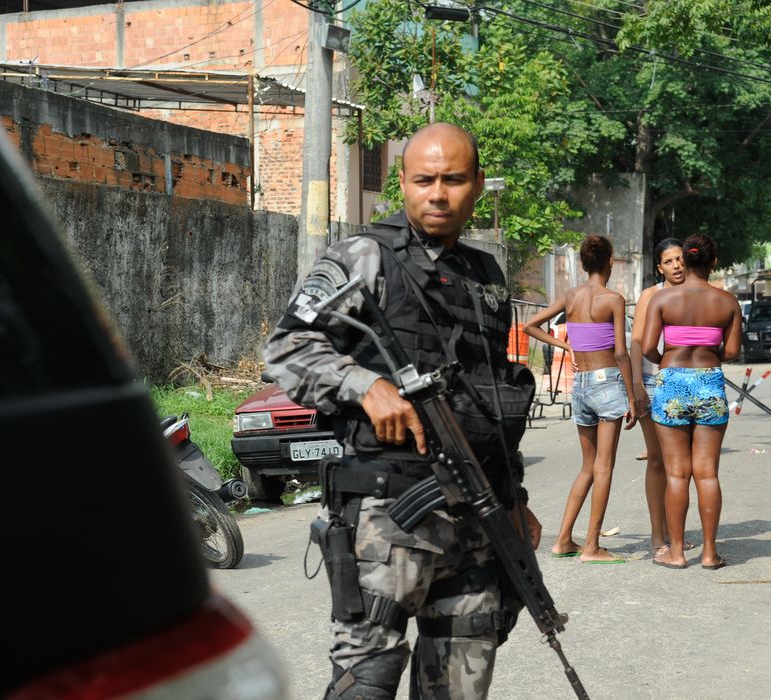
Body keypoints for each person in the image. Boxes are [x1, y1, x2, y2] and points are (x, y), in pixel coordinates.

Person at [264, 122, 541, 699]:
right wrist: (364, 383)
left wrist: (516, 500)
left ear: (479, 184)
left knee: (461, 685)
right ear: (404, 184)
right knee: (366, 679)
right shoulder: (364, 256)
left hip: (476, 518)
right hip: (390, 515)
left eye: (454, 180)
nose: (437, 194)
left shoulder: (485, 276)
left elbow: (490, 405)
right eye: (424, 180)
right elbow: (286, 348)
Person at [522, 235, 637, 563]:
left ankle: (563, 540)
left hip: (581, 387)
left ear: (585, 264)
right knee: (604, 467)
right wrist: (631, 397)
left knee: (587, 467)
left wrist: (567, 346)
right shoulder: (613, 299)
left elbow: (529, 326)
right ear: (609, 263)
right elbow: (621, 353)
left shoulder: (571, 296)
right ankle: (592, 546)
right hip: (607, 385)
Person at [642, 234, 741, 570]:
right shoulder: (727, 302)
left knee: (676, 474)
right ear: (713, 262)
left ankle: (677, 552)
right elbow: (731, 352)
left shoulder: (663, 299)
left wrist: (665, 361)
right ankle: (711, 554)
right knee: (708, 473)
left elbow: (645, 347)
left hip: (671, 383)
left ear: (684, 261)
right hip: (709, 383)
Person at [628, 238, 687, 555]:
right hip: (651, 384)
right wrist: (636, 386)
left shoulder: (692, 293)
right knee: (656, 459)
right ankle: (656, 535)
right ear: (659, 267)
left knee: (678, 463)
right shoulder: (649, 296)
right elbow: (637, 343)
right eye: (669, 261)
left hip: (682, 384)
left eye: (680, 259)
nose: (676, 265)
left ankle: (673, 531)